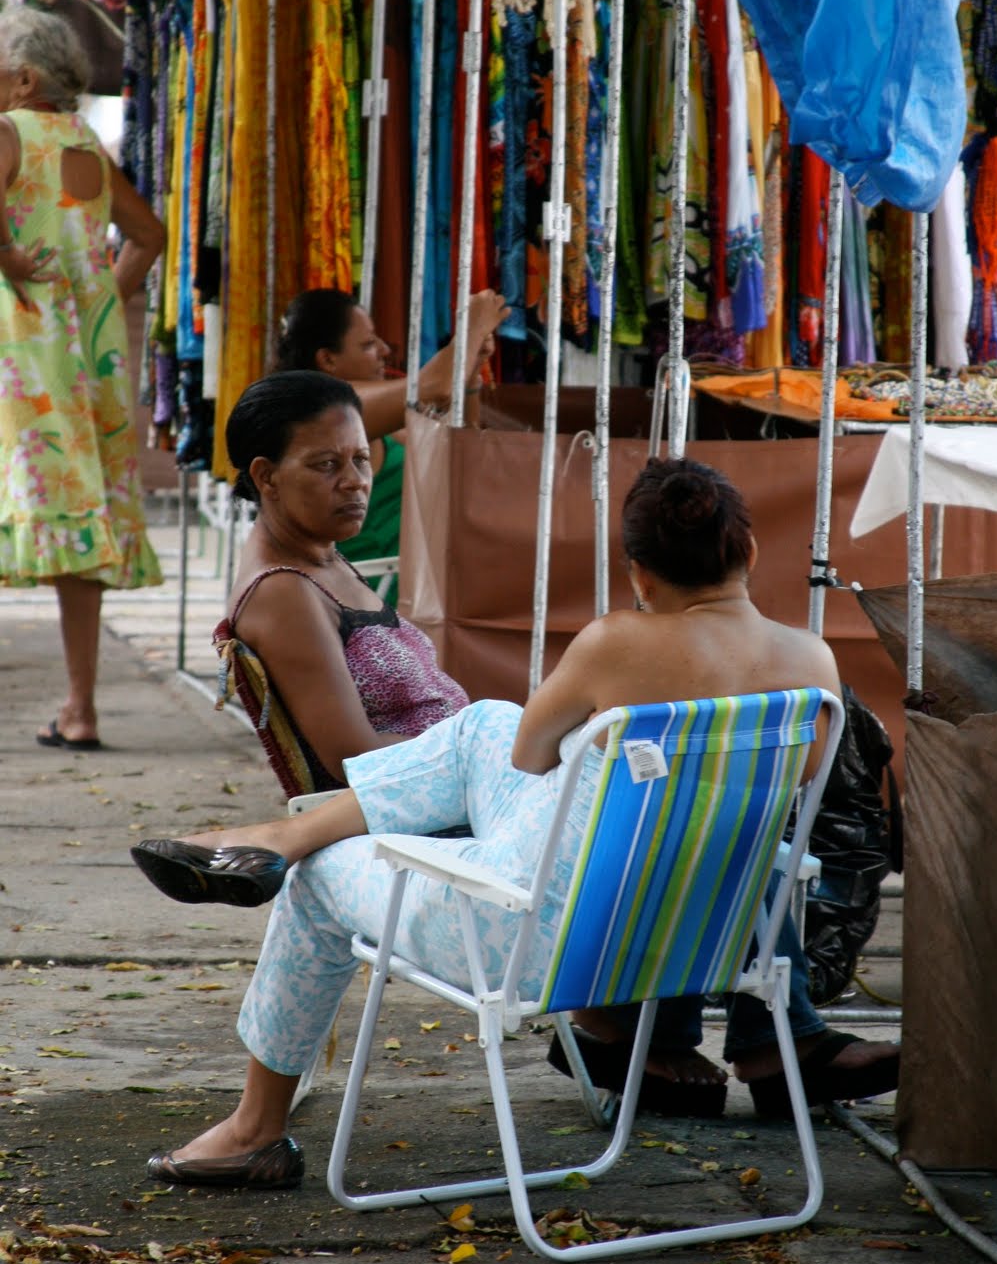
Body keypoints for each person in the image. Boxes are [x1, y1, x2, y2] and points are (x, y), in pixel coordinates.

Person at [131, 420, 898, 1188]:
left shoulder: (614, 644)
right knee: (482, 726)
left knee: (337, 858)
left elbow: (530, 756)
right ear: (750, 554)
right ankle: (282, 837)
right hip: (707, 933)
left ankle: (254, 1119)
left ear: (638, 573)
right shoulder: (811, 665)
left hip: (545, 948)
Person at [0, 6, 165, 749]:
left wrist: (8, 263)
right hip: (85, 359)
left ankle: (75, 708)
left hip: (21, 356)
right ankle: (80, 706)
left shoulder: (9, 133)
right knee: (75, 523)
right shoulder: (86, 146)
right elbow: (148, 235)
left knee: (23, 494)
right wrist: (100, 299)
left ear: (24, 78)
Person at [273, 287, 508, 602]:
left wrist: (471, 377)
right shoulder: (318, 411)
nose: (384, 350)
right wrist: (473, 328)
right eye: (369, 344)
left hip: (405, 607)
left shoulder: (384, 423)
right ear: (327, 358)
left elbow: (460, 455)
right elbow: (435, 389)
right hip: (345, 610)